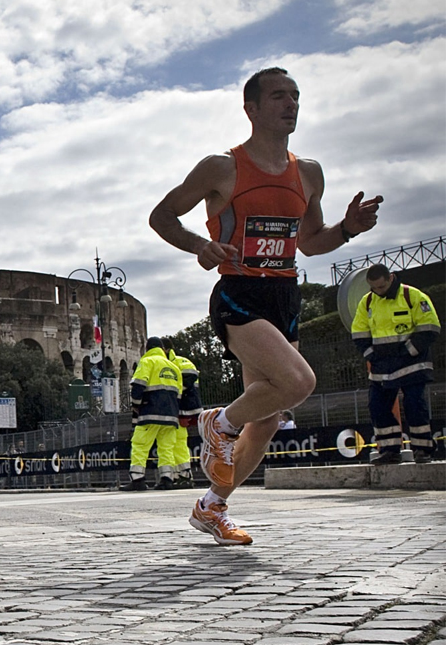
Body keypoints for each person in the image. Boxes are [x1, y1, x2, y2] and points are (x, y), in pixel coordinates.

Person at [149, 66, 381, 545]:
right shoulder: (222, 168)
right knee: (298, 382)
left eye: (295, 95)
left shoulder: (309, 173)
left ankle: (212, 505)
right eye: (278, 96)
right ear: (251, 108)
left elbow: (312, 243)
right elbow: (162, 215)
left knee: (270, 417)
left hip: (285, 295)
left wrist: (349, 228)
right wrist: (199, 245)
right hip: (238, 291)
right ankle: (219, 421)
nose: (290, 104)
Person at [352, 264, 440, 464]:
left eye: (381, 287)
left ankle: (423, 450)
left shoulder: (413, 296)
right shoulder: (367, 302)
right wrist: (371, 355)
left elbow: (430, 327)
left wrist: (408, 351)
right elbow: (359, 333)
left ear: (391, 278)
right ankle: (390, 450)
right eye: (374, 288)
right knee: (377, 406)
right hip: (382, 366)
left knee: (414, 404)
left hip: (412, 363)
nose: (378, 291)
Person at [121, 338, 181, 492]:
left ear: (147, 348)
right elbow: (178, 394)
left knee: (140, 445)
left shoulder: (147, 362)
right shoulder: (173, 367)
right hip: (171, 415)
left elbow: (138, 385)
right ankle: (167, 479)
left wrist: (136, 405)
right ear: (162, 348)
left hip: (150, 412)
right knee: (166, 448)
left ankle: (138, 479)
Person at [158, 337, 201, 489]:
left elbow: (187, 385)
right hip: (176, 409)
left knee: (178, 442)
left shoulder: (179, 363)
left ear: (166, 350)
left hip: (181, 410)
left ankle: (184, 474)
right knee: (172, 443)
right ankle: (178, 475)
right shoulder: (176, 363)